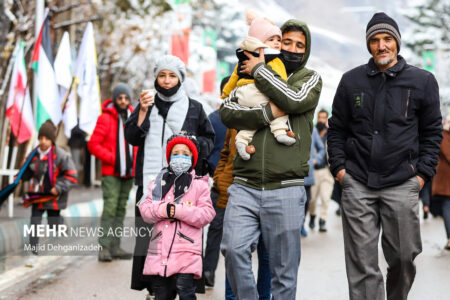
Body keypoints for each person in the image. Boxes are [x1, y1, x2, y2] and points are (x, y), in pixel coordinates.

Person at [327, 12, 443, 300]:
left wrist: (421, 175)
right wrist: (341, 171)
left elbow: (432, 133)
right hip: (358, 183)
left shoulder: (422, 81)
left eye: (387, 39)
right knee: (362, 266)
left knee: (404, 258)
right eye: (375, 40)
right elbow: (336, 129)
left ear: (397, 43)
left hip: (403, 182)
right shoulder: (350, 81)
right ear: (368, 45)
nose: (381, 46)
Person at [220, 19, 322, 299]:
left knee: (283, 271)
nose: (291, 49)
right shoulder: (246, 73)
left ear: (306, 50)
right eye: (285, 42)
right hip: (244, 184)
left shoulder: (308, 78)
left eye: (299, 45)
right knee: (232, 249)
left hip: (286, 187)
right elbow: (227, 110)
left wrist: (260, 69)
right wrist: (266, 114)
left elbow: (293, 101)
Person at [125, 55, 215, 293]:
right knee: (148, 236)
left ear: (180, 78)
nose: (166, 80)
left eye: (172, 75)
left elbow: (209, 141)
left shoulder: (194, 107)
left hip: (185, 186)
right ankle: (154, 288)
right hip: (150, 183)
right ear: (156, 77)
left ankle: (182, 284)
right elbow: (132, 137)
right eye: (162, 75)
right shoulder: (146, 103)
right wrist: (142, 111)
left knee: (184, 235)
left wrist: (193, 141)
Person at [138, 133, 215, 300]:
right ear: (168, 157)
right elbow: (145, 210)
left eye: (186, 154)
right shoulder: (158, 183)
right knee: (162, 294)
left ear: (193, 158)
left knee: (185, 291)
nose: (180, 157)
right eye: (175, 153)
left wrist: (179, 211)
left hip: (187, 252)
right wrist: (164, 210)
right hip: (160, 252)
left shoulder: (199, 185)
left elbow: (207, 214)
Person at [222, 14, 293, 160]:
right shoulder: (274, 59)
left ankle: (241, 140)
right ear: (260, 42)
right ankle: (280, 132)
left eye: (278, 40)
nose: (276, 43)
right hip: (258, 92)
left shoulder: (245, 56)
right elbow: (281, 81)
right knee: (279, 107)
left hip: (242, 94)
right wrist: (285, 91)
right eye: (271, 39)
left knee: (251, 121)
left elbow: (234, 76)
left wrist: (226, 92)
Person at [88, 83, 137, 262]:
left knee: (121, 208)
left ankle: (115, 246)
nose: (123, 101)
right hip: (111, 172)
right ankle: (104, 247)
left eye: (126, 98)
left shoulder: (135, 116)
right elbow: (93, 144)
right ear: (115, 99)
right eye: (120, 98)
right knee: (110, 208)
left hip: (128, 172)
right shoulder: (105, 118)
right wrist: (113, 158)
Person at [22, 120, 77, 263]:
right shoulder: (33, 154)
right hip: (38, 196)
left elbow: (71, 175)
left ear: (52, 140)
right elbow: (27, 173)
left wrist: (58, 188)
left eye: (46, 138)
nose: (43, 142)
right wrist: (22, 173)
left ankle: (61, 223)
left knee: (54, 226)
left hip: (54, 198)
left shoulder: (62, 156)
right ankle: (33, 253)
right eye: (41, 138)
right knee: (34, 224)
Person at [309, 109, 334, 232]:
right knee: (312, 199)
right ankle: (312, 216)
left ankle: (322, 220)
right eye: (320, 117)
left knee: (325, 198)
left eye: (324, 117)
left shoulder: (331, 133)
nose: (322, 120)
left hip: (327, 171)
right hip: (314, 171)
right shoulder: (312, 132)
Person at [302, 127, 325, 237]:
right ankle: (294, 226)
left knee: (307, 201)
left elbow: (322, 149)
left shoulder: (313, 130)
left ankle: (301, 224)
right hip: (289, 174)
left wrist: (315, 160)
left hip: (307, 174)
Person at [431, 115, 450, 250]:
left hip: (445, 180)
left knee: (447, 207)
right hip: (446, 180)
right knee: (447, 206)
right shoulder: (443, 136)